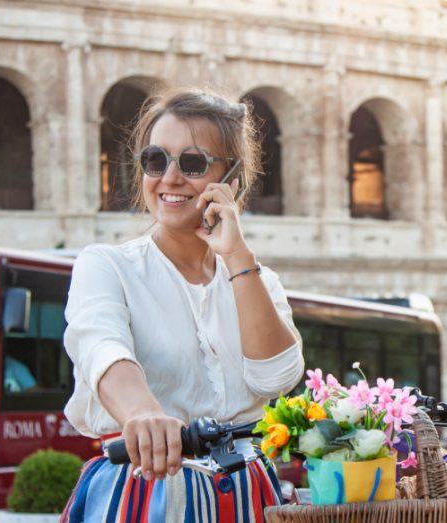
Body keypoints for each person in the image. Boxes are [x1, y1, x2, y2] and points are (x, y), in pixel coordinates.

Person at [60, 87, 304, 522]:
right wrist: (143, 415)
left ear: (231, 179)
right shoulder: (107, 265)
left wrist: (237, 256)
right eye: (155, 160)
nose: (169, 178)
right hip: (143, 490)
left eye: (191, 163)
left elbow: (276, 378)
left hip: (248, 494)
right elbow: (102, 348)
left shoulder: (258, 279)